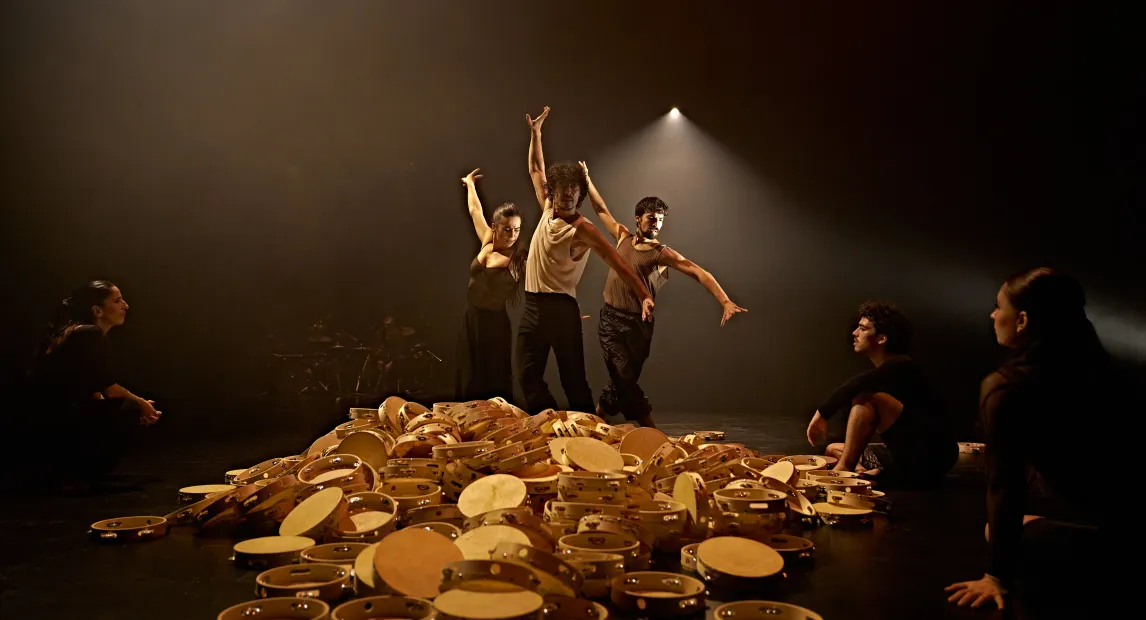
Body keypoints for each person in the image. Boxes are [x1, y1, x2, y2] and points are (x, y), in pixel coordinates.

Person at [945, 268, 1118, 613]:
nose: (993, 316)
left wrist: (996, 576)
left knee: (996, 531)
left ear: (1021, 320)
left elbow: (1004, 486)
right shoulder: (1103, 372)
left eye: (998, 307)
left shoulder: (1007, 387)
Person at [579, 162, 746, 428]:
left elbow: (698, 272)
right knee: (622, 374)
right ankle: (650, 429)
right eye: (651, 218)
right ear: (638, 218)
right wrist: (586, 180)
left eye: (660, 220)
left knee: (624, 379)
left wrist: (724, 300)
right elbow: (600, 209)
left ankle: (598, 418)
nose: (656, 224)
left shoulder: (661, 253)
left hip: (639, 325)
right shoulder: (621, 236)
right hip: (610, 320)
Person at [518, 106, 655, 414]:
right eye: (563, 188)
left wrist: (643, 294)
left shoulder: (584, 229)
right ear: (555, 191)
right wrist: (536, 134)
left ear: (580, 194)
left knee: (574, 382)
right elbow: (536, 170)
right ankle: (551, 426)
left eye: (574, 189)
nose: (567, 193)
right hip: (532, 307)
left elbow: (618, 262)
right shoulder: (546, 208)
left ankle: (587, 435)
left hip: (561, 309)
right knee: (527, 376)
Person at [22, 280, 160, 487]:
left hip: (51, 419)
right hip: (52, 425)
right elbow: (111, 390)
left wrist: (135, 407)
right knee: (129, 409)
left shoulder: (79, 333)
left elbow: (92, 389)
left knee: (126, 409)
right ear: (97, 310)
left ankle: (75, 468)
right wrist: (142, 405)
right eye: (117, 300)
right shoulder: (87, 334)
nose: (125, 305)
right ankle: (75, 469)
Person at [806, 301, 956, 481]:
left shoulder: (903, 366)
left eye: (862, 329)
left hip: (929, 459)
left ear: (882, 338)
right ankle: (862, 473)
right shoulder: (889, 369)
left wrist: (823, 413)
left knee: (866, 398)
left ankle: (844, 471)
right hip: (903, 455)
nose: (854, 333)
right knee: (834, 449)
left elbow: (858, 384)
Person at [454, 167, 526, 401]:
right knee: (469, 376)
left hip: (494, 324)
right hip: (471, 317)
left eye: (516, 230)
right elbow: (475, 211)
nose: (512, 235)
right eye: (507, 229)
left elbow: (546, 272)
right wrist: (470, 185)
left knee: (494, 382)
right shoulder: (487, 239)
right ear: (495, 228)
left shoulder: (519, 259)